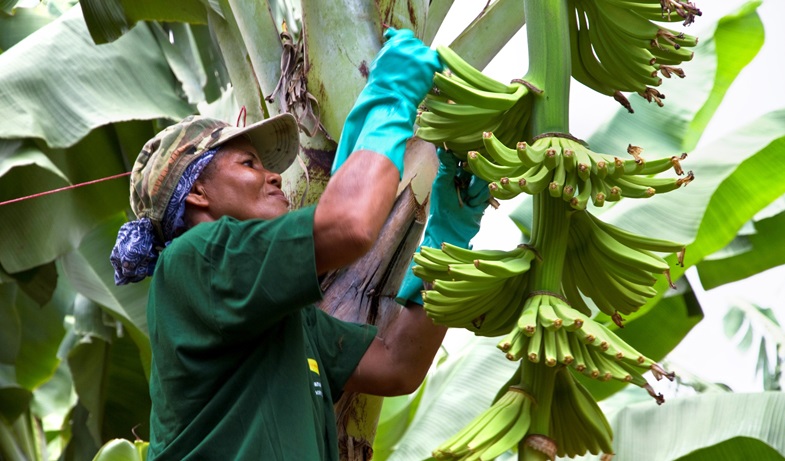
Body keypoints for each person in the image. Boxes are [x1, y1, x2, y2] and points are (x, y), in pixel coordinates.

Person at [110, 28, 488, 460]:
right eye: (250, 163)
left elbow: (398, 364)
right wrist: (392, 96)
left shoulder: (286, 319)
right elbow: (350, 224)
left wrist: (447, 236)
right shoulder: (197, 257)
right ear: (197, 192)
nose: (275, 176)